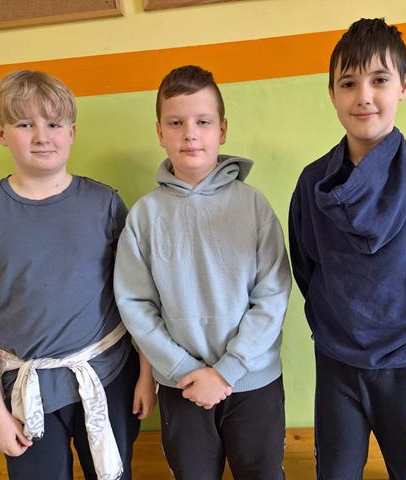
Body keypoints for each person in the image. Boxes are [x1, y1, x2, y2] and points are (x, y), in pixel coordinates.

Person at [0, 70, 156, 480]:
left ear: (72, 132)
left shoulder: (104, 203)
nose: (42, 136)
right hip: (26, 389)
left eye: (54, 124)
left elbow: (139, 296)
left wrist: (147, 374)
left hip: (107, 375)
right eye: (25, 124)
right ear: (1, 133)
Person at [289, 18, 406, 479]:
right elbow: (305, 267)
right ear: (332, 93)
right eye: (348, 83)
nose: (363, 96)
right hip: (337, 362)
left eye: (380, 80)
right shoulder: (313, 183)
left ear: (404, 85)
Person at [114, 65, 291, 480]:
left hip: (253, 381)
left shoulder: (253, 205)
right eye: (176, 123)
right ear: (160, 132)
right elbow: (136, 305)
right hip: (182, 386)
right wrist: (183, 369)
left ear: (222, 130)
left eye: (203, 122)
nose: (190, 134)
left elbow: (273, 294)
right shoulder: (144, 216)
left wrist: (227, 370)